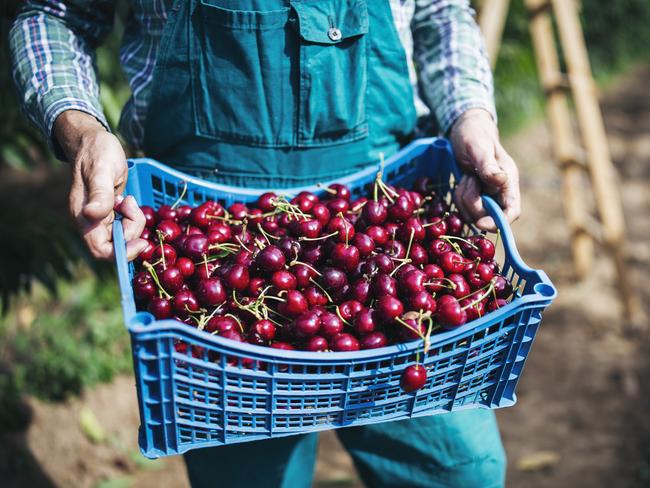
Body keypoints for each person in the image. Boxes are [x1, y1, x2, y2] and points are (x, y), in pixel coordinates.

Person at [10, 1, 520, 486]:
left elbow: (439, 12)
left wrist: (470, 114)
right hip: (202, 221)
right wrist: (81, 130)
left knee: (460, 471)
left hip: (384, 190)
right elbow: (52, 15)